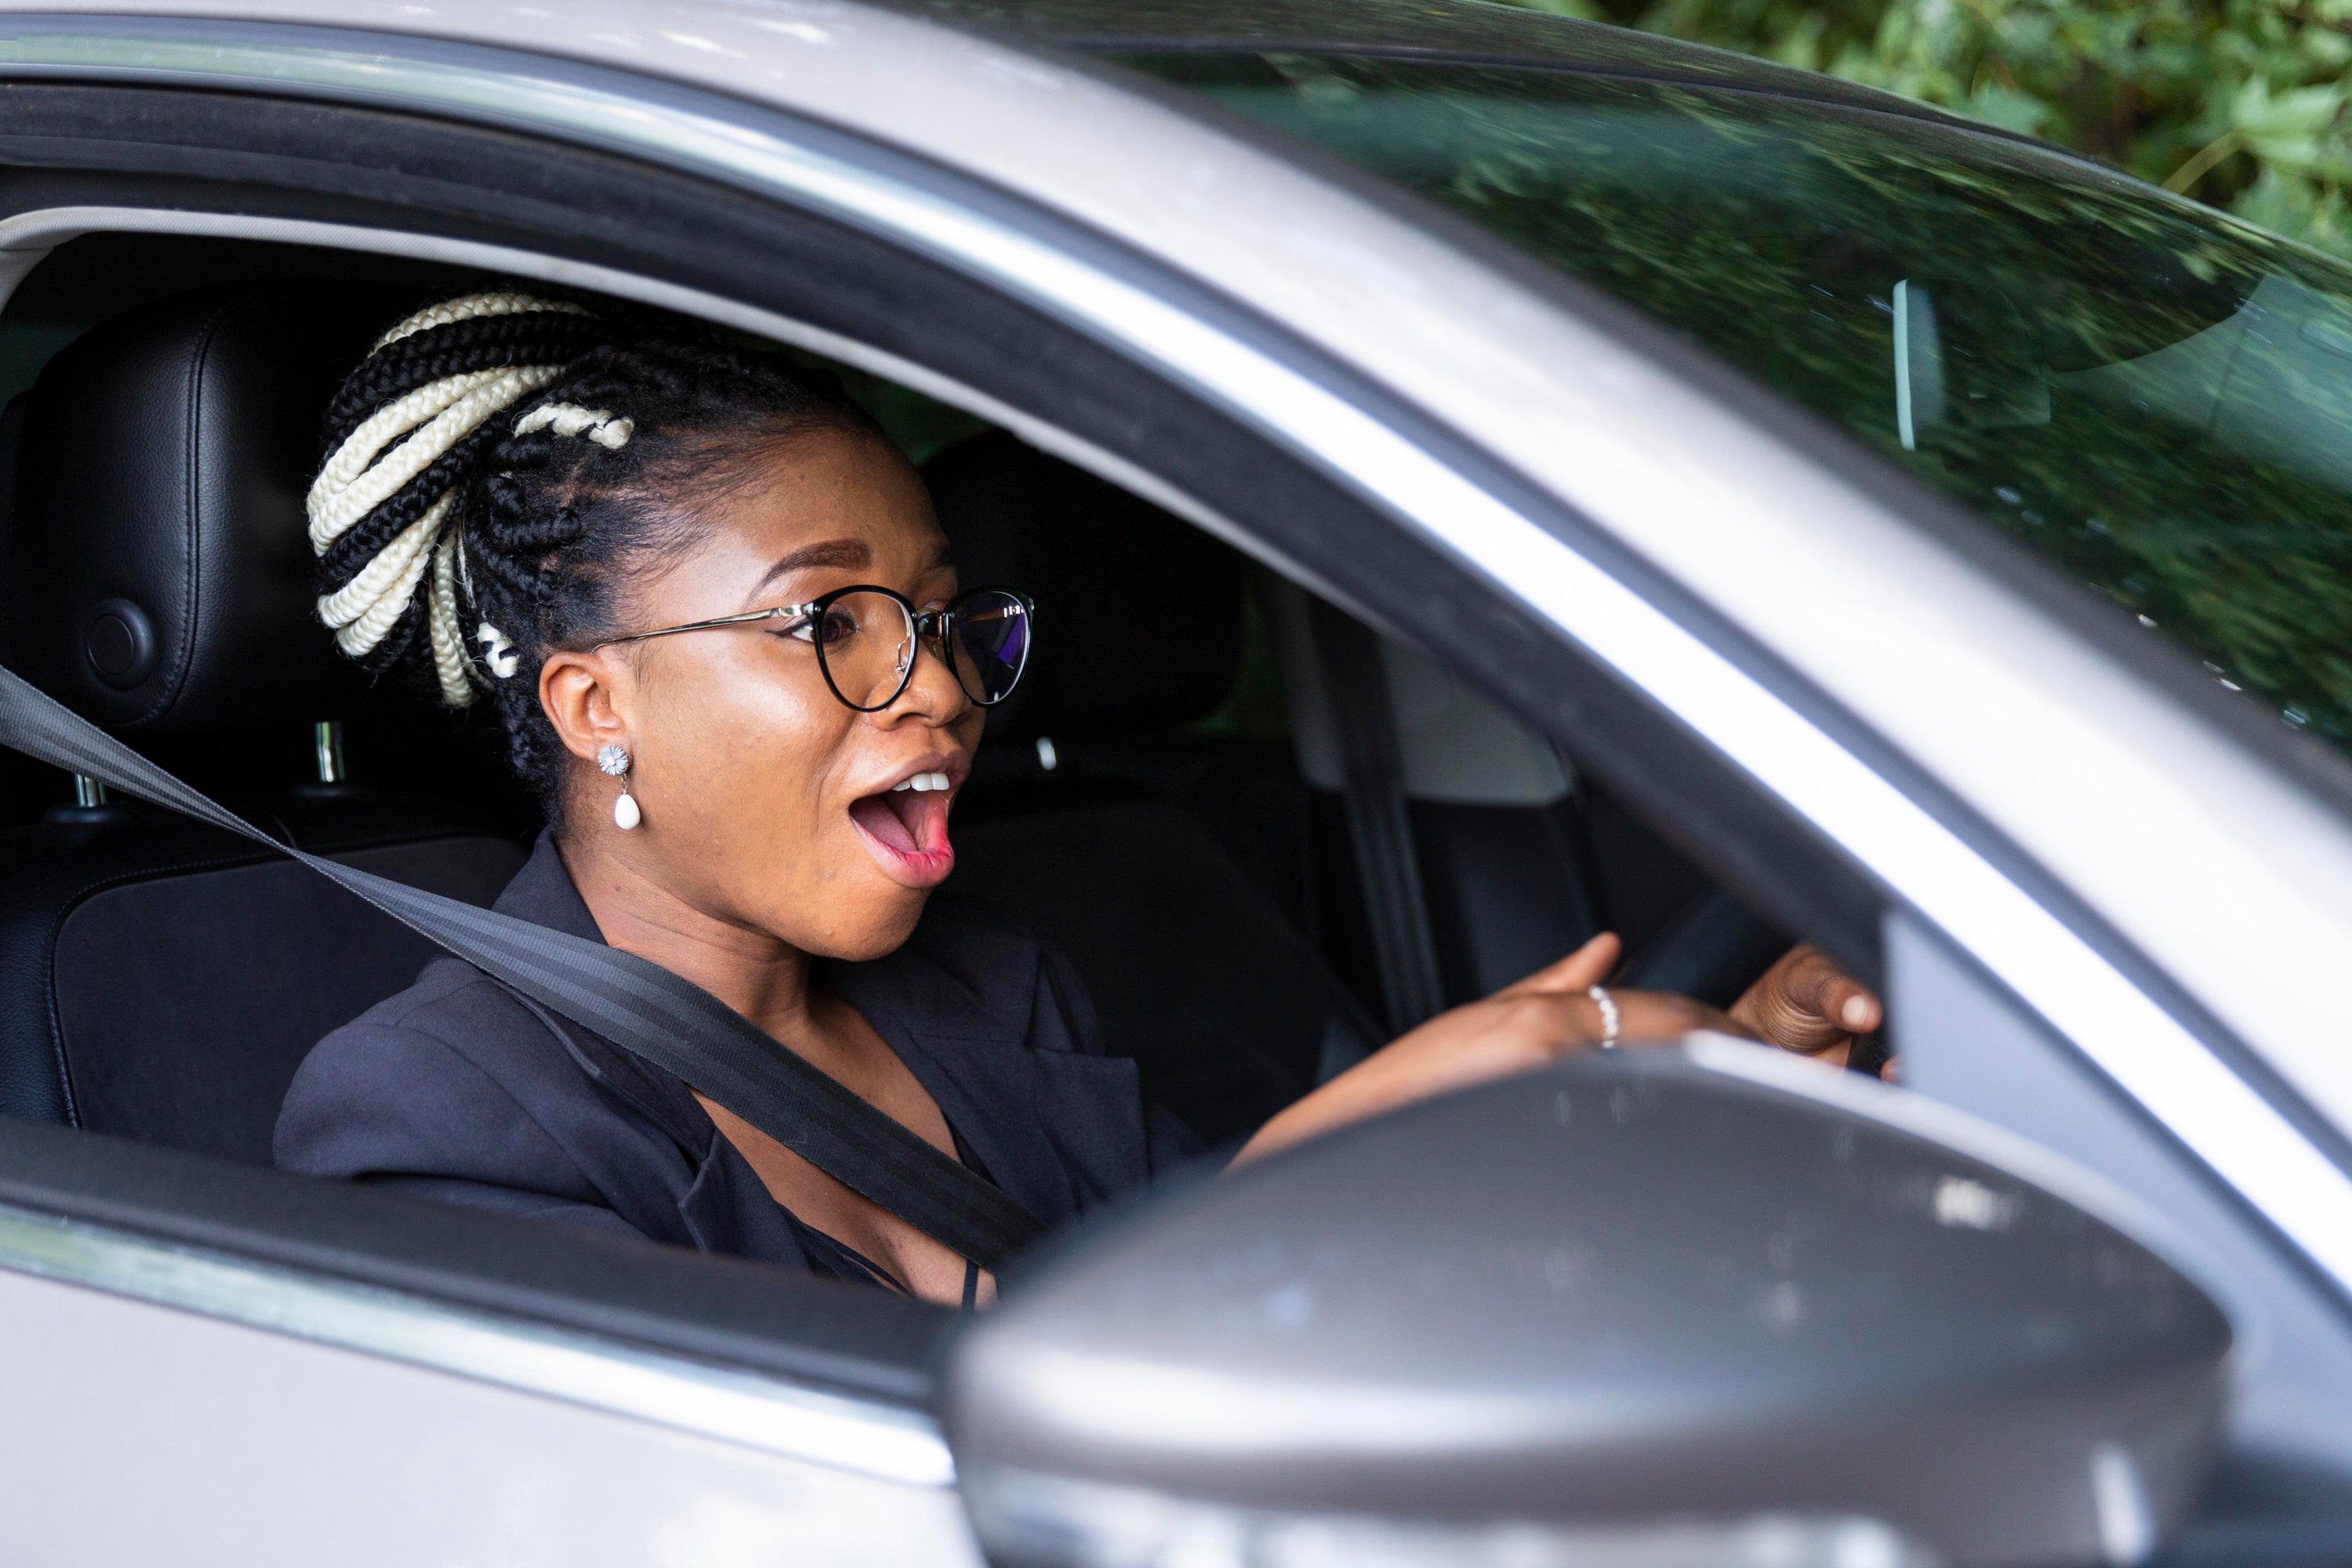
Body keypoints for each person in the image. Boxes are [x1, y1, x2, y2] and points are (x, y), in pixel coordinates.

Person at [277, 291, 1883, 1306]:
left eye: (944, 616)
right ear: (595, 700)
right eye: (832, 620)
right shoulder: (436, 1117)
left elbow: (1262, 1312)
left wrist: (1637, 1099)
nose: (943, 688)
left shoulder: (988, 983)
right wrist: (1453, 1082)